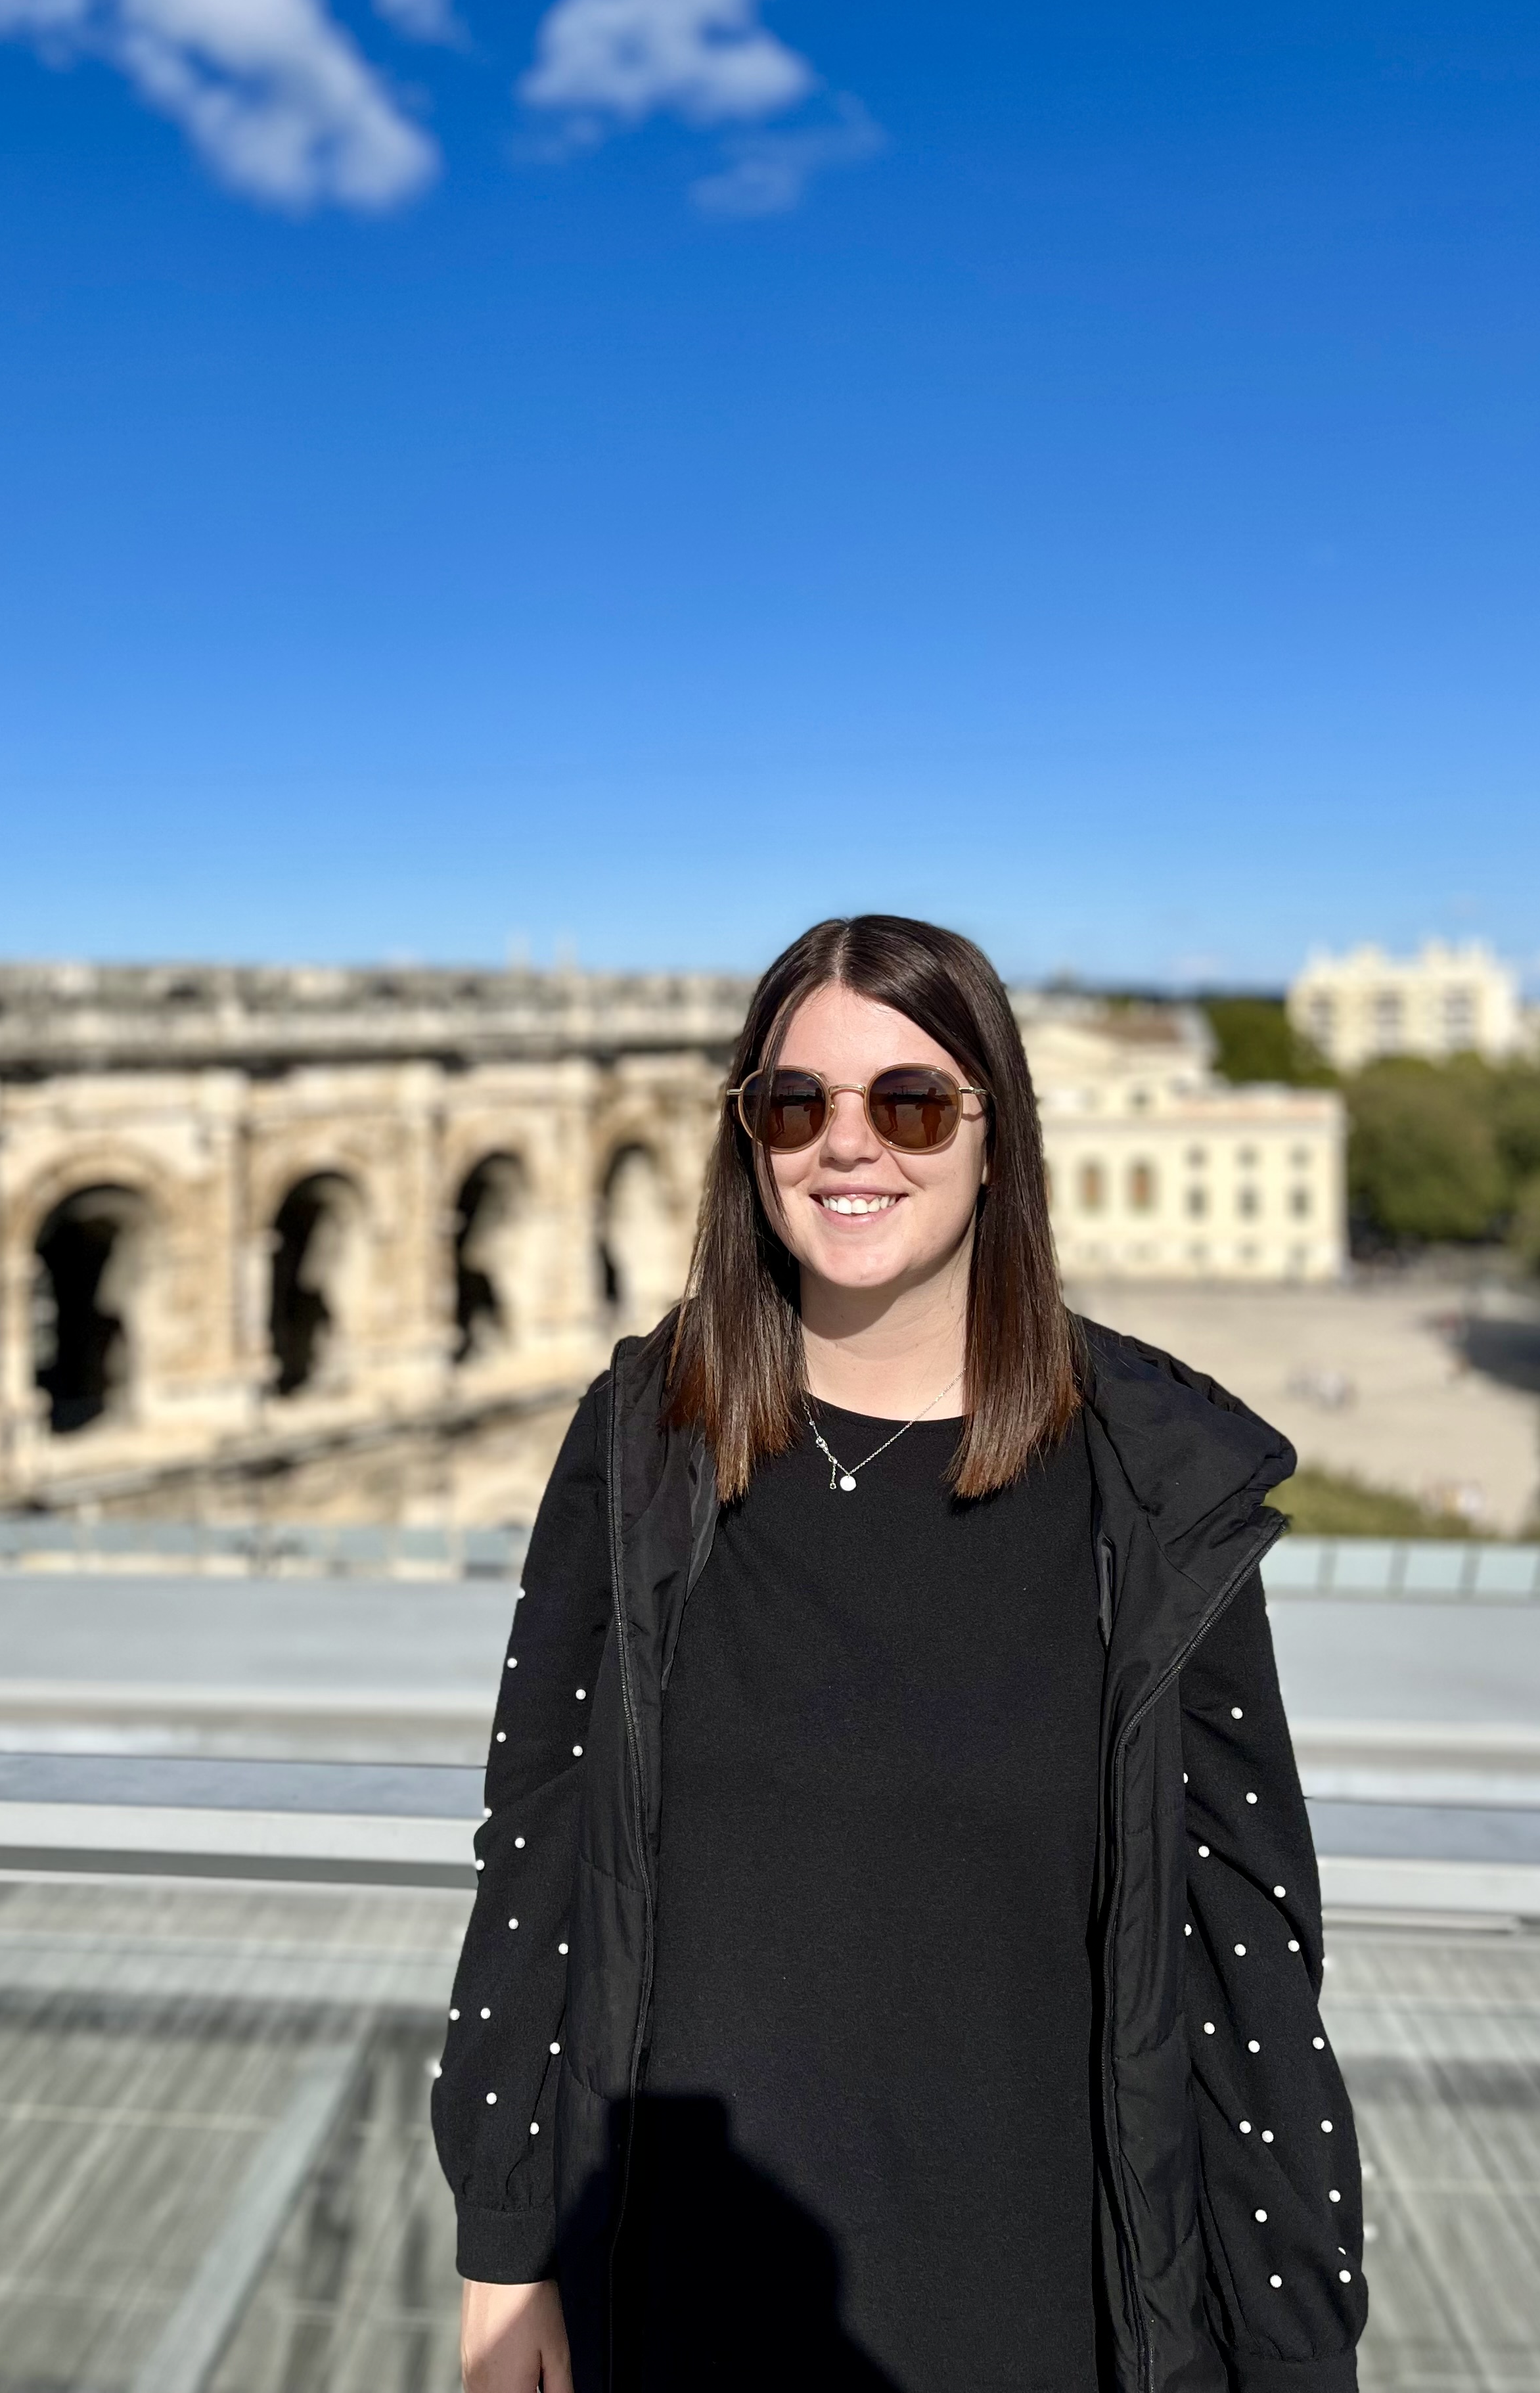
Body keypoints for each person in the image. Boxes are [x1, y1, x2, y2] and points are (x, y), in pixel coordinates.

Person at [434, 915, 1367, 2393]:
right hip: (679, 2306)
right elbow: (537, 1851)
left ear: (997, 1138)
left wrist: (1296, 2351)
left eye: (913, 1102)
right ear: (748, 1138)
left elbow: (1245, 1952)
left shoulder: (1151, 1477)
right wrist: (504, 2248)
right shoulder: (645, 1438)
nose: (846, 1144)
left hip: (1037, 2313)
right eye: (792, 1103)